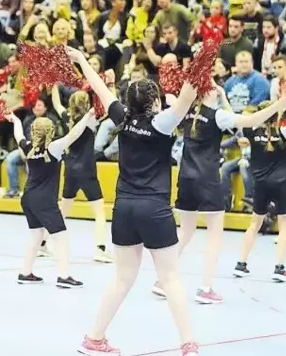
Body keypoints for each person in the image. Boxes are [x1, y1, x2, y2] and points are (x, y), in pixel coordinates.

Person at [70, 45, 200, 356]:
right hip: (154, 208)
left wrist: (81, 61)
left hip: (124, 208)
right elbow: (189, 95)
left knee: (122, 277)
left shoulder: (121, 116)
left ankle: (94, 338)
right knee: (170, 278)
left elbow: (100, 87)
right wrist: (199, 62)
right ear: (154, 102)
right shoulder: (163, 122)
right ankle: (188, 344)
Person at [152, 87, 286, 304]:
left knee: (185, 233)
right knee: (215, 237)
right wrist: (280, 104)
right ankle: (205, 288)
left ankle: (161, 281)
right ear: (209, 92)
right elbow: (252, 119)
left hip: (185, 179)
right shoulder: (216, 115)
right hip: (207, 180)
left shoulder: (186, 111)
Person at [8, 105, 95, 289]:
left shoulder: (28, 147)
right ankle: (64, 276)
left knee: (36, 236)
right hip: (44, 200)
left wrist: (16, 121)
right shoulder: (53, 148)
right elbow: (73, 135)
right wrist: (87, 117)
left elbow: (18, 136)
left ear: (33, 131)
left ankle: (25, 273)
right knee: (61, 238)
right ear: (51, 131)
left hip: (28, 197)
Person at [233, 101, 286, 282]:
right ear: (277, 115)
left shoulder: (250, 131)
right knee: (284, 226)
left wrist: (223, 96)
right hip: (280, 186)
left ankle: (241, 264)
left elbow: (232, 116)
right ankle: (279, 268)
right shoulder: (284, 132)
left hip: (260, 186)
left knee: (254, 225)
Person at [51, 86, 111, 263]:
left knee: (63, 211)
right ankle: (100, 249)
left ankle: (43, 243)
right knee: (99, 213)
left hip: (70, 168)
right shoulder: (90, 119)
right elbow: (107, 105)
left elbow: (56, 103)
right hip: (86, 169)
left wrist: (53, 84)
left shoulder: (66, 118)